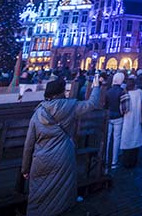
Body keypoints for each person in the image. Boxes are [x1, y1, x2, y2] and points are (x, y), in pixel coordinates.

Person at [21, 77, 103, 216]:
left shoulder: (38, 113)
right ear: (61, 92)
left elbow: (29, 144)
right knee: (62, 197)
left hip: (41, 160)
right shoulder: (70, 106)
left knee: (38, 196)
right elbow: (92, 104)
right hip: (64, 157)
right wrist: (96, 87)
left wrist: (25, 168)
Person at [120, 75, 142, 168]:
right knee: (136, 139)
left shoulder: (125, 93)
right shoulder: (139, 93)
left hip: (127, 119)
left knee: (126, 140)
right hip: (137, 118)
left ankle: (126, 161)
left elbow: (122, 108)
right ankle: (134, 161)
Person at [105, 72, 125, 170]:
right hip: (118, 117)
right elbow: (125, 107)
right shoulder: (122, 91)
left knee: (107, 139)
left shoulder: (108, 91)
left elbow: (105, 105)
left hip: (109, 117)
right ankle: (114, 161)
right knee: (117, 139)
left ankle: (105, 159)